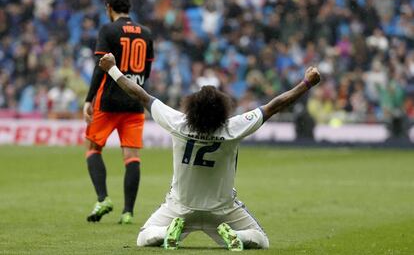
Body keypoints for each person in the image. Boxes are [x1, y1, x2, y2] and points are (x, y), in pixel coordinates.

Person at [99, 53, 321, 250]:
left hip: (180, 207)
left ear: (192, 105)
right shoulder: (233, 128)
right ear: (223, 108)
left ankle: (168, 233)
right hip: (222, 211)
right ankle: (235, 236)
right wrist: (306, 83)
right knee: (260, 239)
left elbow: (141, 95)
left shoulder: (178, 123)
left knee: (144, 237)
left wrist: (112, 68)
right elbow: (274, 106)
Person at [83, 0, 154, 224]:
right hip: (135, 102)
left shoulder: (108, 30)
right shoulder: (146, 33)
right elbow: (147, 70)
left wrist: (89, 99)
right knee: (132, 156)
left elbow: (101, 67)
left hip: (109, 101)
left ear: (108, 8)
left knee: (93, 148)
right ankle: (128, 212)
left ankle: (103, 199)